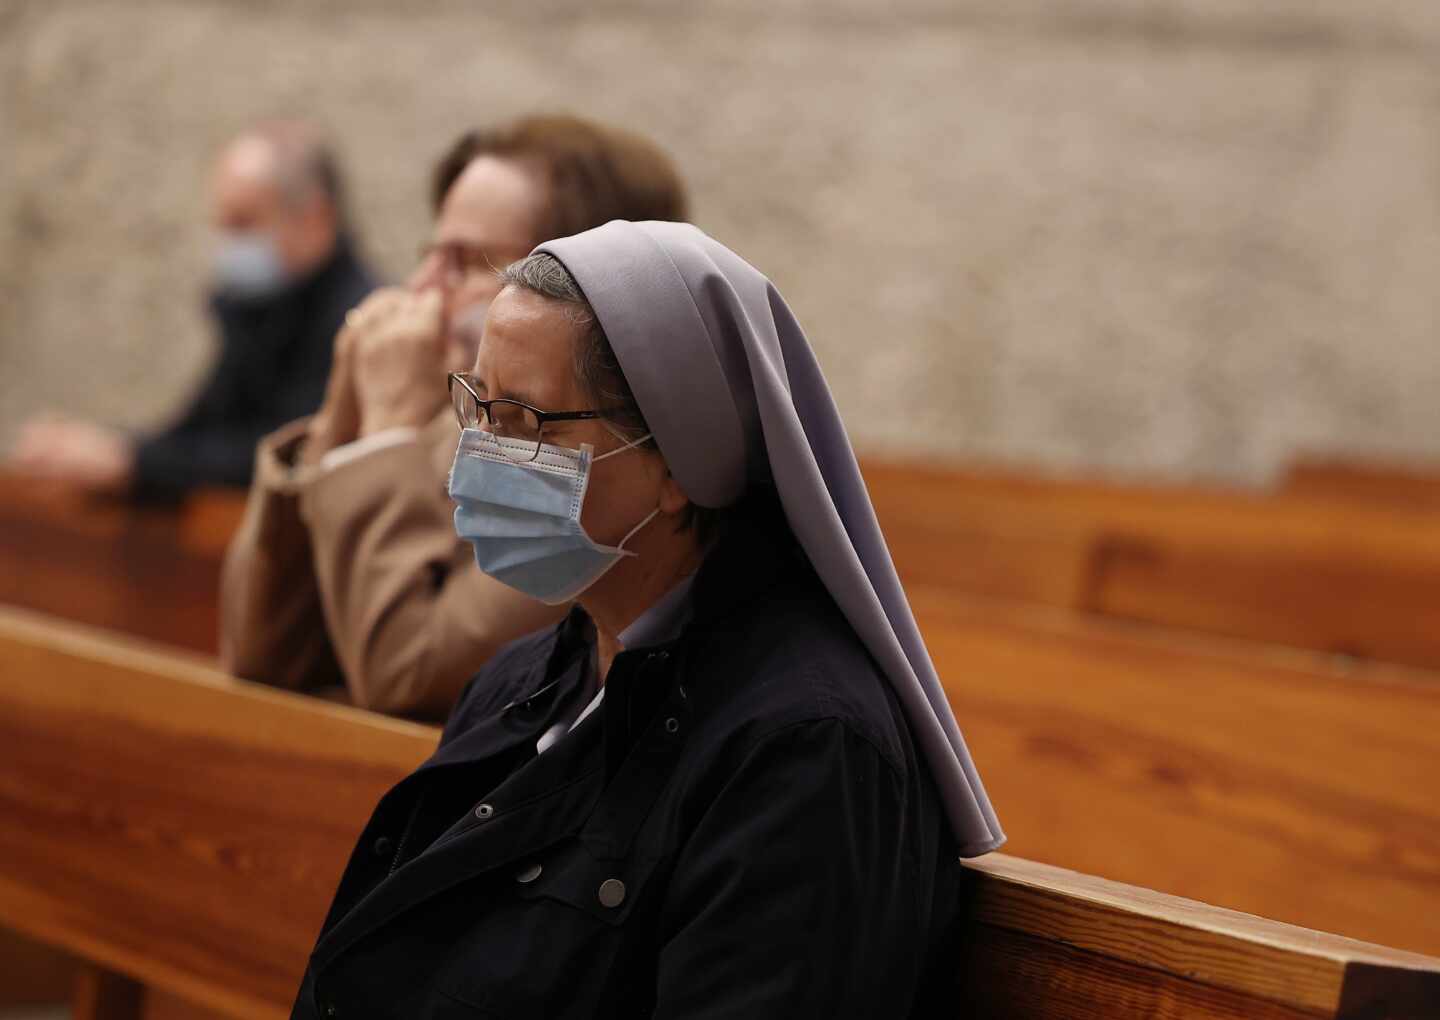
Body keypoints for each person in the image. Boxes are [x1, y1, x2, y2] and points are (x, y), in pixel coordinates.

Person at [290, 222, 1004, 1019]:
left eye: (524, 420)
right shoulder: (523, 678)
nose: (478, 452)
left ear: (675, 467)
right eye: (477, 405)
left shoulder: (807, 747)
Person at [219, 116, 689, 719]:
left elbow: (409, 682)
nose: (420, 290)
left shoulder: (573, 460)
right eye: (431, 255)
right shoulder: (443, 420)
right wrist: (341, 416)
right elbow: (260, 657)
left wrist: (386, 433)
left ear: (574, 288)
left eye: (465, 264)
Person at [9, 121, 374, 498]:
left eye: (244, 223)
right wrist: (109, 450)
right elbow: (203, 430)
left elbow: (287, 453)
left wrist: (134, 462)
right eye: (223, 223)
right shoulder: (256, 309)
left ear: (315, 218)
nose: (230, 243)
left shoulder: (362, 322)